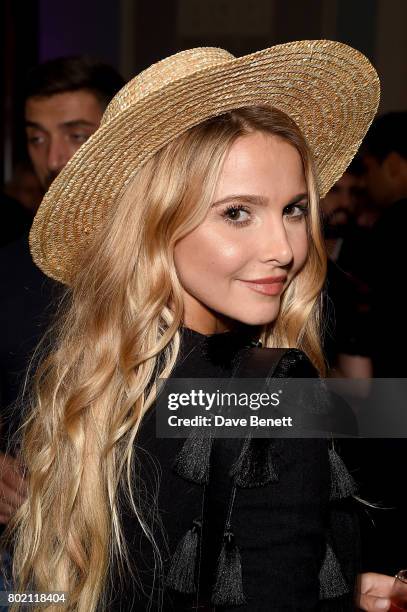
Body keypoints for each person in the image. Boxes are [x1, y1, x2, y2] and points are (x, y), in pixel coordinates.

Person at [4, 42, 393, 610]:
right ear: (157, 223)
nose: (283, 249)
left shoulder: (90, 381)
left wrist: (333, 586)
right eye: (237, 212)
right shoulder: (270, 394)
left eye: (293, 209)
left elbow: (39, 595)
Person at [0, 56, 125, 526]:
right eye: (37, 137)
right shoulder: (10, 268)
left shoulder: (178, 258)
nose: (53, 160)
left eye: (76, 135)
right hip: (31, 551)